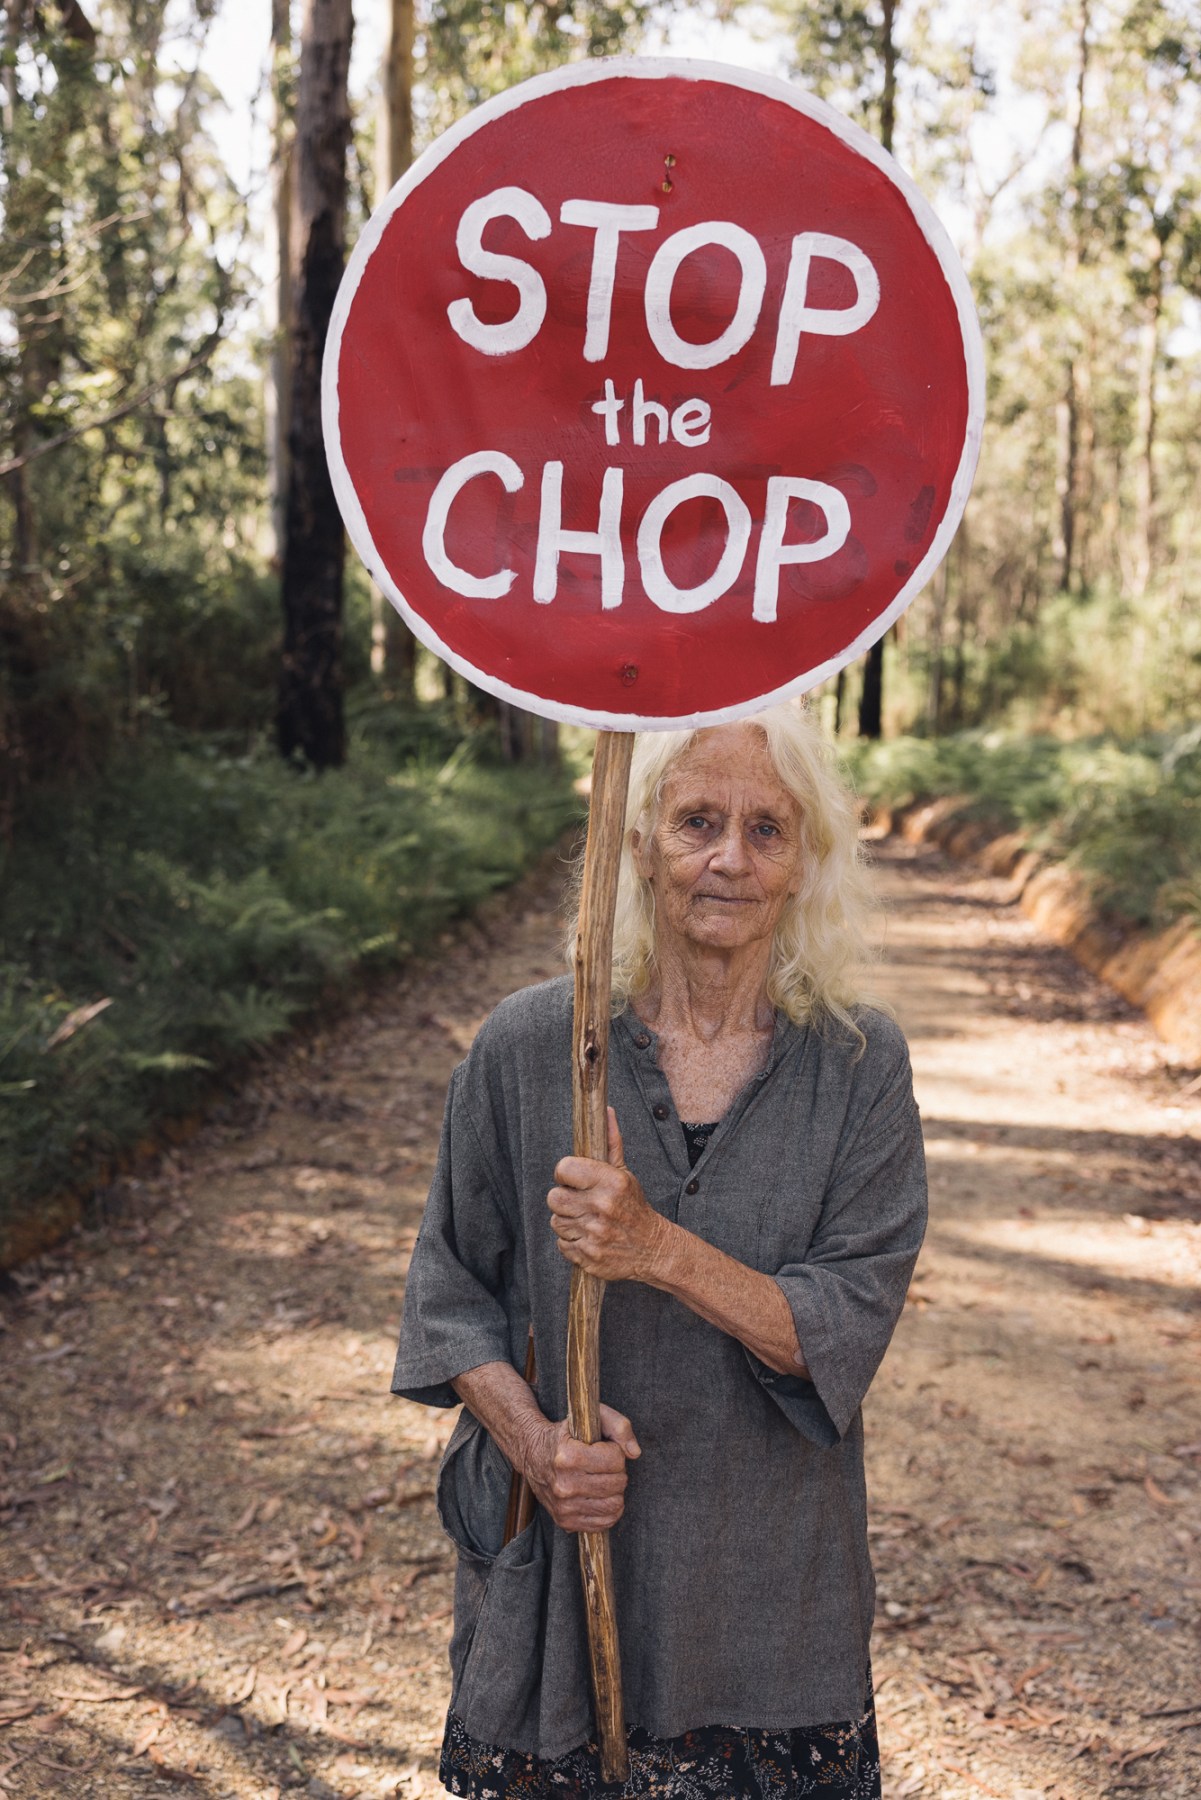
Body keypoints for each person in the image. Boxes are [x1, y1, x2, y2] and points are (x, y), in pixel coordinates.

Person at [392, 703, 927, 1800]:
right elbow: (450, 1294)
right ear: (637, 845)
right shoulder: (532, 1046)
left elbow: (838, 1324)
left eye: (766, 829)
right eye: (695, 821)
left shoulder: (857, 1065)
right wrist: (537, 1445)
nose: (729, 858)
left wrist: (654, 1248)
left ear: (806, 859)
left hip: (770, 1605)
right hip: (564, 1581)